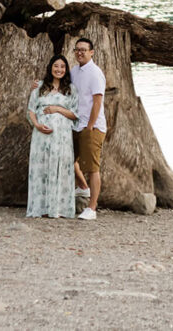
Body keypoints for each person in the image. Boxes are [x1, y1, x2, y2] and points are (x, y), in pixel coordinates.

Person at [25, 54, 79, 218]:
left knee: (60, 168)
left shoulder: (71, 89)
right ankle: (41, 207)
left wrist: (57, 109)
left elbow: (75, 114)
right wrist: (37, 124)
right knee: (42, 168)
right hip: (41, 136)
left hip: (62, 137)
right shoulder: (40, 87)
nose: (59, 69)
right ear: (50, 68)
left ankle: (59, 208)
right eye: (56, 66)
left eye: (62, 67)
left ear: (66, 70)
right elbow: (31, 110)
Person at [68, 36, 107, 219]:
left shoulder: (95, 73)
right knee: (69, 159)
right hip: (75, 124)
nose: (80, 52)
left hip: (92, 127)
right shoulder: (75, 71)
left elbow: (97, 101)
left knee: (93, 168)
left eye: (84, 49)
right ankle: (83, 187)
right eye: (77, 49)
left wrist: (90, 126)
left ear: (91, 52)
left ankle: (92, 208)